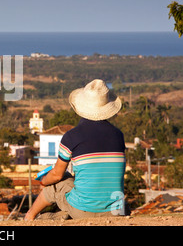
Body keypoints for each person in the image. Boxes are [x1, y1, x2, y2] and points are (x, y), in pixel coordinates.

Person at [25, 79, 127, 220]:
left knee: (53, 186)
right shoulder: (118, 135)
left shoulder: (72, 136)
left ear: (81, 106)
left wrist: (43, 182)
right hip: (117, 212)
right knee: (70, 181)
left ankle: (29, 217)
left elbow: (56, 175)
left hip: (84, 210)